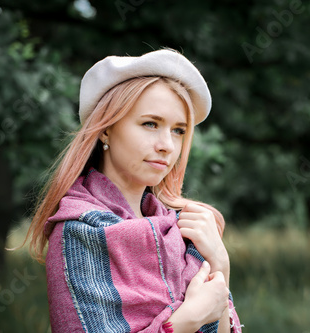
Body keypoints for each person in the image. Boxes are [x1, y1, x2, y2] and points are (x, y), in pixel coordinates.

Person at [24, 49, 242, 333]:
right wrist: (187, 320)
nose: (167, 145)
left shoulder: (186, 230)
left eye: (178, 130)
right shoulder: (79, 233)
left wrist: (220, 264)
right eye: (150, 124)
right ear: (105, 129)